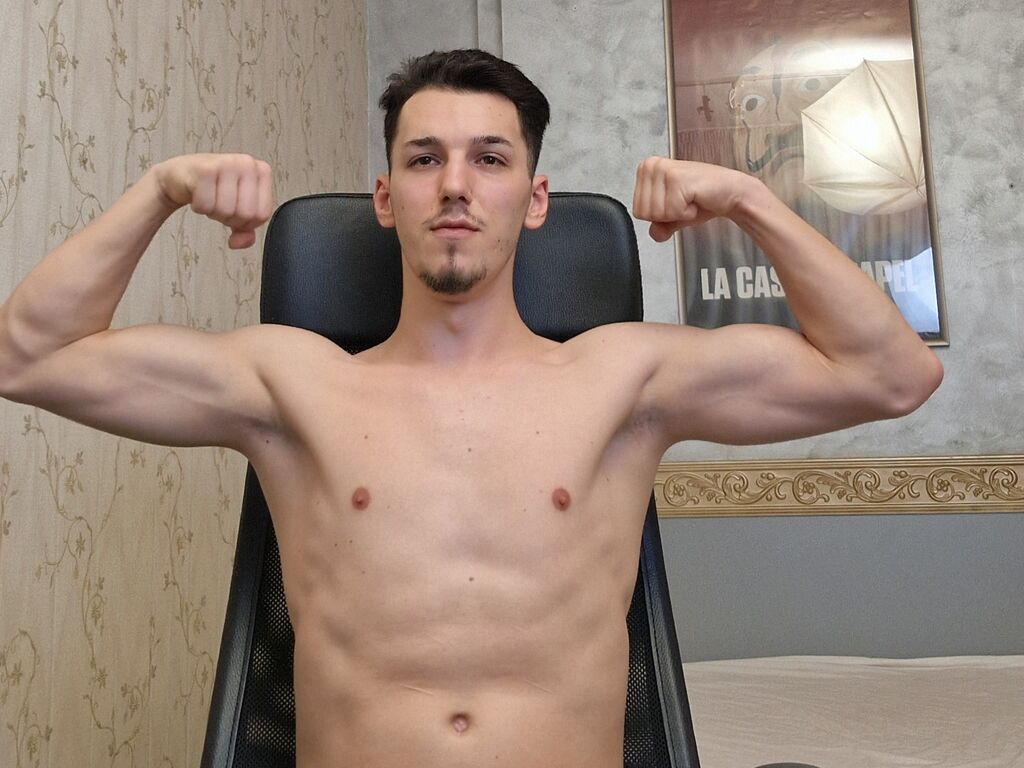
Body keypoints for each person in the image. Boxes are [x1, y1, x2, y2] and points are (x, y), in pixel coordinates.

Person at [0, 49, 941, 768]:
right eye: (425, 159)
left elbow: (891, 375)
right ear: (386, 198)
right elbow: (28, 355)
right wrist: (160, 191)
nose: (455, 184)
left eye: (489, 158)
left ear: (535, 200)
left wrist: (748, 199)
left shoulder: (623, 382)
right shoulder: (296, 386)